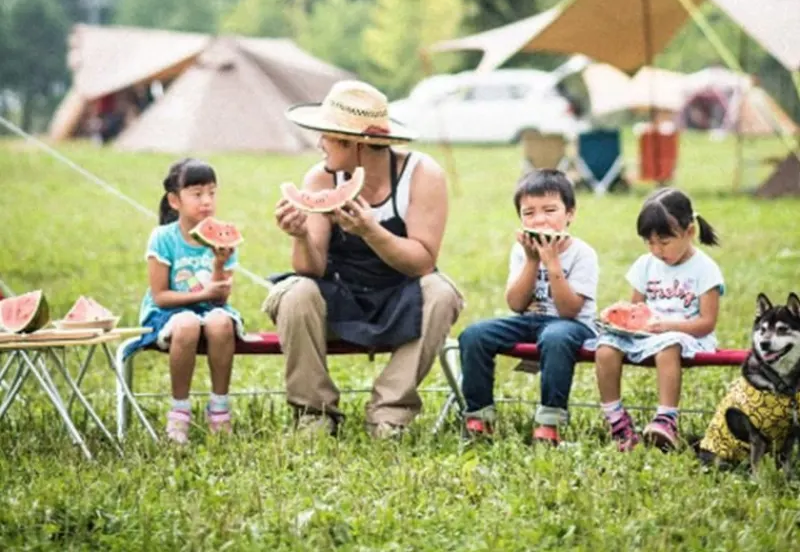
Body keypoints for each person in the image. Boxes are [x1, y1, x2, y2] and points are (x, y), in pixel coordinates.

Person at [268, 79, 463, 438]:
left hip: (400, 297)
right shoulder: (320, 178)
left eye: (326, 135)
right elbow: (311, 268)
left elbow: (422, 262)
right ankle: (315, 414)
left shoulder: (422, 174)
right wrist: (299, 235)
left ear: (353, 142)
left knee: (442, 292)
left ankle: (389, 412)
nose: (319, 144)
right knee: (295, 292)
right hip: (341, 297)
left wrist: (371, 230)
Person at [458, 169, 598, 446]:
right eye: (529, 213)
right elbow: (516, 304)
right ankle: (479, 415)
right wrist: (533, 261)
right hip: (530, 320)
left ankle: (550, 421)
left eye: (550, 210)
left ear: (570, 214)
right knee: (474, 335)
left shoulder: (582, 253)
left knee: (555, 337)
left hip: (572, 326)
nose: (540, 219)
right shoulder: (521, 251)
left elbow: (569, 310)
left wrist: (553, 263)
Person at [595, 186, 723, 452]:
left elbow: (707, 323)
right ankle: (616, 419)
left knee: (668, 346)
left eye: (664, 242)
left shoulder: (705, 269)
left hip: (688, 336)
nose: (656, 250)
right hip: (647, 335)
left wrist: (667, 326)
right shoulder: (645, 265)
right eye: (649, 242)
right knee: (605, 349)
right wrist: (619, 317)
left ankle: (667, 420)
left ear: (690, 232)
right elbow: (636, 310)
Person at [136, 158, 244, 444]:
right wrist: (203, 294)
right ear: (175, 200)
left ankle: (219, 408)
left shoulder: (224, 239)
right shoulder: (163, 238)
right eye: (197, 194)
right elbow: (160, 295)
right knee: (185, 324)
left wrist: (220, 264)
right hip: (167, 313)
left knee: (221, 322)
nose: (206, 200)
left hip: (211, 310)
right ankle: (179, 411)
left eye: (212, 192)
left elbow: (221, 298)